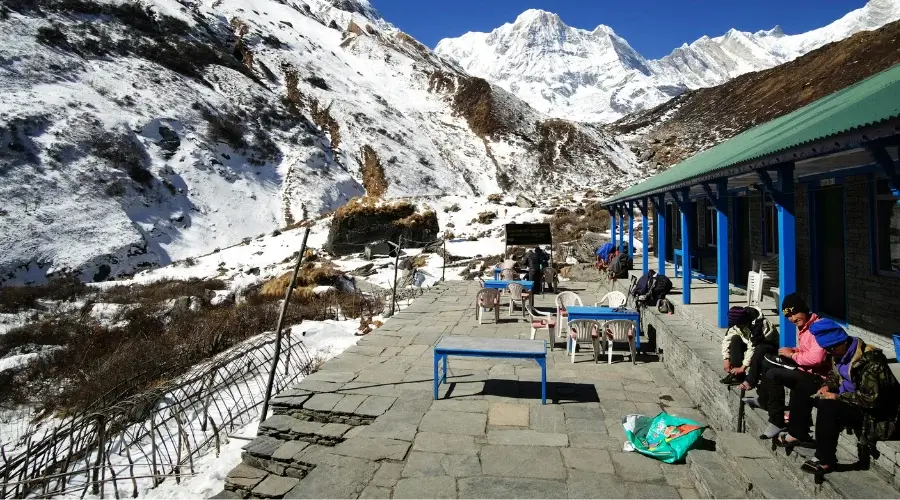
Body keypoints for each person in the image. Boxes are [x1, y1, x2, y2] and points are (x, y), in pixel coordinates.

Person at [802, 321, 900, 474]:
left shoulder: (872, 362)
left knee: (829, 408)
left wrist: (837, 397)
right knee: (807, 389)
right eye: (827, 349)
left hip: (877, 416)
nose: (830, 352)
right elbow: (835, 375)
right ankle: (798, 433)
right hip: (852, 402)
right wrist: (827, 386)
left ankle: (825, 459)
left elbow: (872, 400)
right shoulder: (840, 354)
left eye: (832, 348)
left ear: (843, 341)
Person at [747, 293, 828, 441]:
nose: (793, 318)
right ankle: (765, 401)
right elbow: (807, 351)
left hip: (818, 377)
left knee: (773, 373)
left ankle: (776, 419)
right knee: (766, 361)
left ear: (804, 309)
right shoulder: (804, 327)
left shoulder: (817, 328)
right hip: (805, 370)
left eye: (795, 313)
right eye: (788, 316)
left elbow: (818, 358)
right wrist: (794, 350)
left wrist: (792, 356)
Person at [720, 306, 778, 385]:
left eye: (738, 325)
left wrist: (743, 367)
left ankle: (751, 379)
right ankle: (737, 374)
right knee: (735, 338)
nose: (737, 326)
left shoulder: (759, 325)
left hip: (768, 346)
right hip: (749, 342)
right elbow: (727, 339)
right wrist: (726, 359)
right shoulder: (736, 322)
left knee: (759, 349)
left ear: (744, 321)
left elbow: (752, 347)